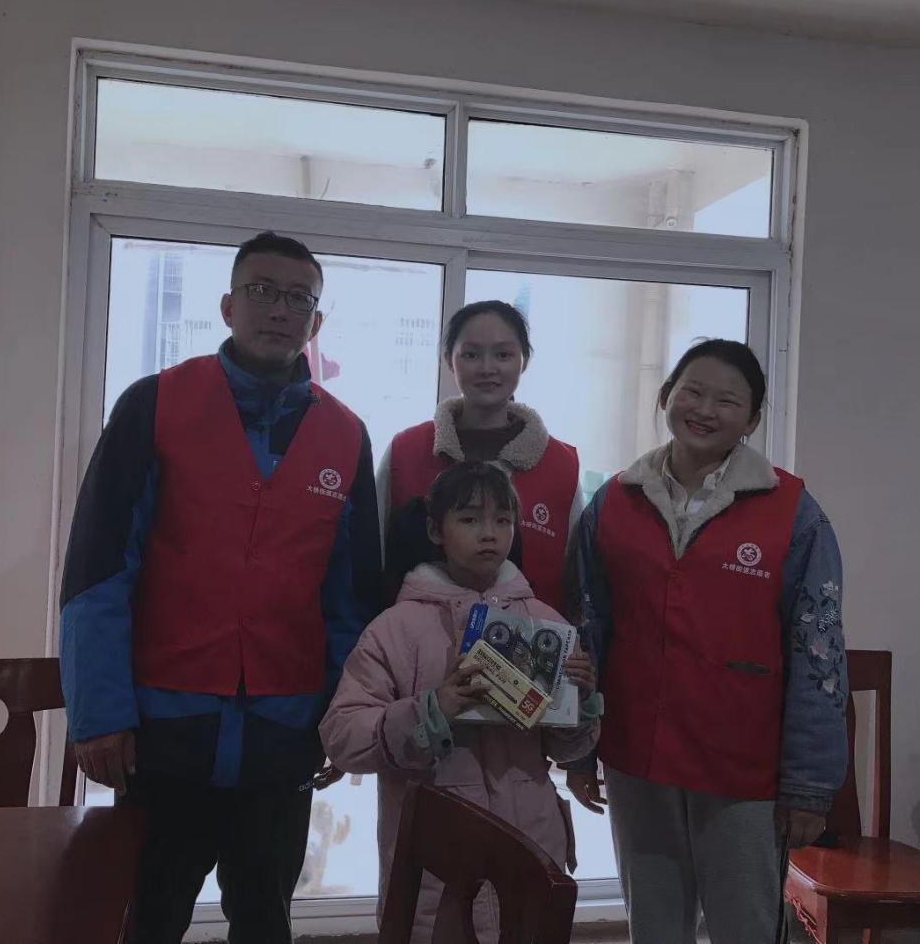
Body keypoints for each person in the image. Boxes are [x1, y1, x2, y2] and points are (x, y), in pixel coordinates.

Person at [59, 231, 382, 944]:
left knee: (265, 919)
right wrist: (98, 713)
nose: (280, 309)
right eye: (262, 291)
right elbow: (97, 570)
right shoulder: (153, 405)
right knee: (147, 917)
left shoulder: (345, 435)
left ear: (316, 321)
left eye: (299, 298)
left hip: (282, 732)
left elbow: (350, 598)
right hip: (164, 728)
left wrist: (346, 714)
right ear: (229, 305)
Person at [565, 339, 848, 944]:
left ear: (752, 419)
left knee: (745, 927)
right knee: (654, 925)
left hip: (741, 766)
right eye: (692, 391)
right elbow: (588, 632)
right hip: (637, 755)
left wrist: (809, 784)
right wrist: (580, 747)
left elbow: (819, 655)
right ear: (666, 395)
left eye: (727, 400)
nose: (704, 409)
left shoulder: (793, 514)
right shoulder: (614, 502)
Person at [320, 461, 603, 944]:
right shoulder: (396, 629)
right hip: (435, 868)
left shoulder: (544, 623)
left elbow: (566, 749)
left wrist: (581, 701)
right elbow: (342, 737)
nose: (489, 534)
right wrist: (431, 710)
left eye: (502, 520)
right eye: (469, 519)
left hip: (531, 854)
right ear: (436, 530)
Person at [378, 301, 581, 611]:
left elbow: (576, 582)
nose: (487, 368)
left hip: (528, 639)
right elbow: (372, 556)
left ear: (524, 361)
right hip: (414, 640)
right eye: (471, 355)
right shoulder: (405, 450)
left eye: (503, 355)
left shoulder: (561, 465)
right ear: (449, 360)